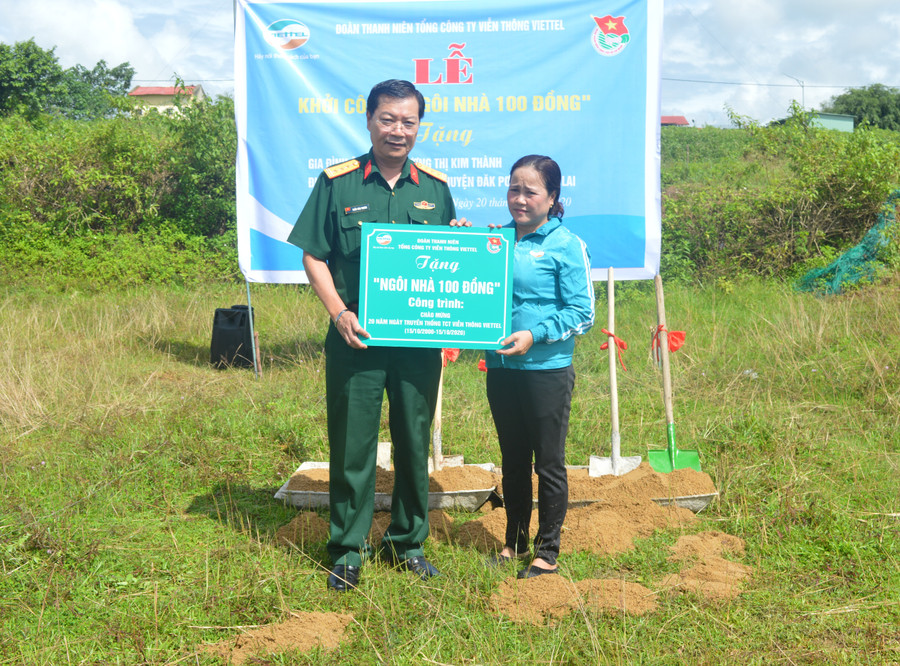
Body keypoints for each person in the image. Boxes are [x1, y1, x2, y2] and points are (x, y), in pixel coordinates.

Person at [287, 79, 469, 592]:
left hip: (418, 344)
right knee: (352, 445)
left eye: (408, 121)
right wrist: (339, 313)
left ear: (418, 127)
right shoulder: (337, 182)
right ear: (369, 121)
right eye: (388, 119)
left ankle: (408, 543)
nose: (398, 130)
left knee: (414, 444)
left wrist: (460, 246)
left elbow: (449, 262)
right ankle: (348, 548)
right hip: (355, 340)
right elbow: (313, 254)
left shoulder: (434, 187)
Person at [485, 155, 595, 578]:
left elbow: (582, 311)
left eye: (531, 191)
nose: (520, 199)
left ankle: (547, 550)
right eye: (514, 189)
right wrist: (460, 242)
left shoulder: (566, 244)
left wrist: (536, 335)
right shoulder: (496, 241)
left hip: (547, 369)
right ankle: (513, 542)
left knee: (547, 461)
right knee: (512, 460)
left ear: (552, 198)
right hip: (501, 369)